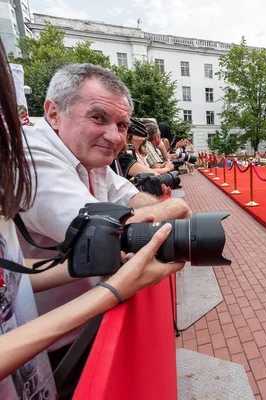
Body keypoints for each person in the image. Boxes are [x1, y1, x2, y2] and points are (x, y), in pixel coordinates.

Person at [0, 42, 184, 399]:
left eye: (122, 124)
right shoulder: (31, 158)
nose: (115, 136)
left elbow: (153, 201)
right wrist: (112, 284)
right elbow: (110, 237)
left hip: (52, 341)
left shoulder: (89, 156)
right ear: (53, 113)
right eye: (98, 118)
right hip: (51, 346)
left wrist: (147, 213)